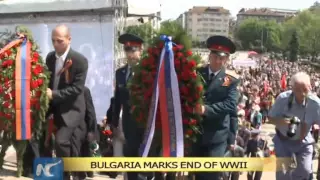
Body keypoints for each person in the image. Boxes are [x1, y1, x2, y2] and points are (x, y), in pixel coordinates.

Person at [46, 24, 88, 180]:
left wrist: (54, 94)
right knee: (44, 137)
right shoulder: (50, 58)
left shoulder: (80, 60)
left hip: (72, 110)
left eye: (59, 41)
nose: (56, 44)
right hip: (55, 108)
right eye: (53, 41)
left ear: (69, 39)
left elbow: (77, 89)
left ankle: (68, 172)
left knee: (62, 141)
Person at [194, 35, 239, 180]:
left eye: (222, 58)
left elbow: (230, 105)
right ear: (210, 56)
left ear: (226, 59)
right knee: (195, 174)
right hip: (196, 135)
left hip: (217, 136)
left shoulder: (229, 79)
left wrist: (206, 110)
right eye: (215, 57)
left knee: (211, 175)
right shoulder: (197, 73)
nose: (218, 61)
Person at [268, 72, 320, 180]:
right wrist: (283, 121)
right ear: (292, 89)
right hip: (283, 141)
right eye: (298, 90)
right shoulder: (283, 99)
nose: (302, 93)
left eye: (305, 89)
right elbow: (270, 119)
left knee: (305, 171)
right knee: (283, 174)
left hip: (304, 141)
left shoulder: (316, 104)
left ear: (310, 87)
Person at [108, 33, 144, 180]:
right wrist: (114, 122)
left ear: (141, 50)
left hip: (145, 124)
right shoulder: (120, 73)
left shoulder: (147, 72)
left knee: (142, 161)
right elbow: (117, 100)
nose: (130, 54)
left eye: (133, 50)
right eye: (127, 50)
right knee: (129, 159)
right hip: (128, 124)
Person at [78, 86, 97, 180]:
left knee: (85, 148)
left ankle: (88, 171)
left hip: (84, 126)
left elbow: (90, 111)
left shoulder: (85, 90)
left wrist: (91, 129)